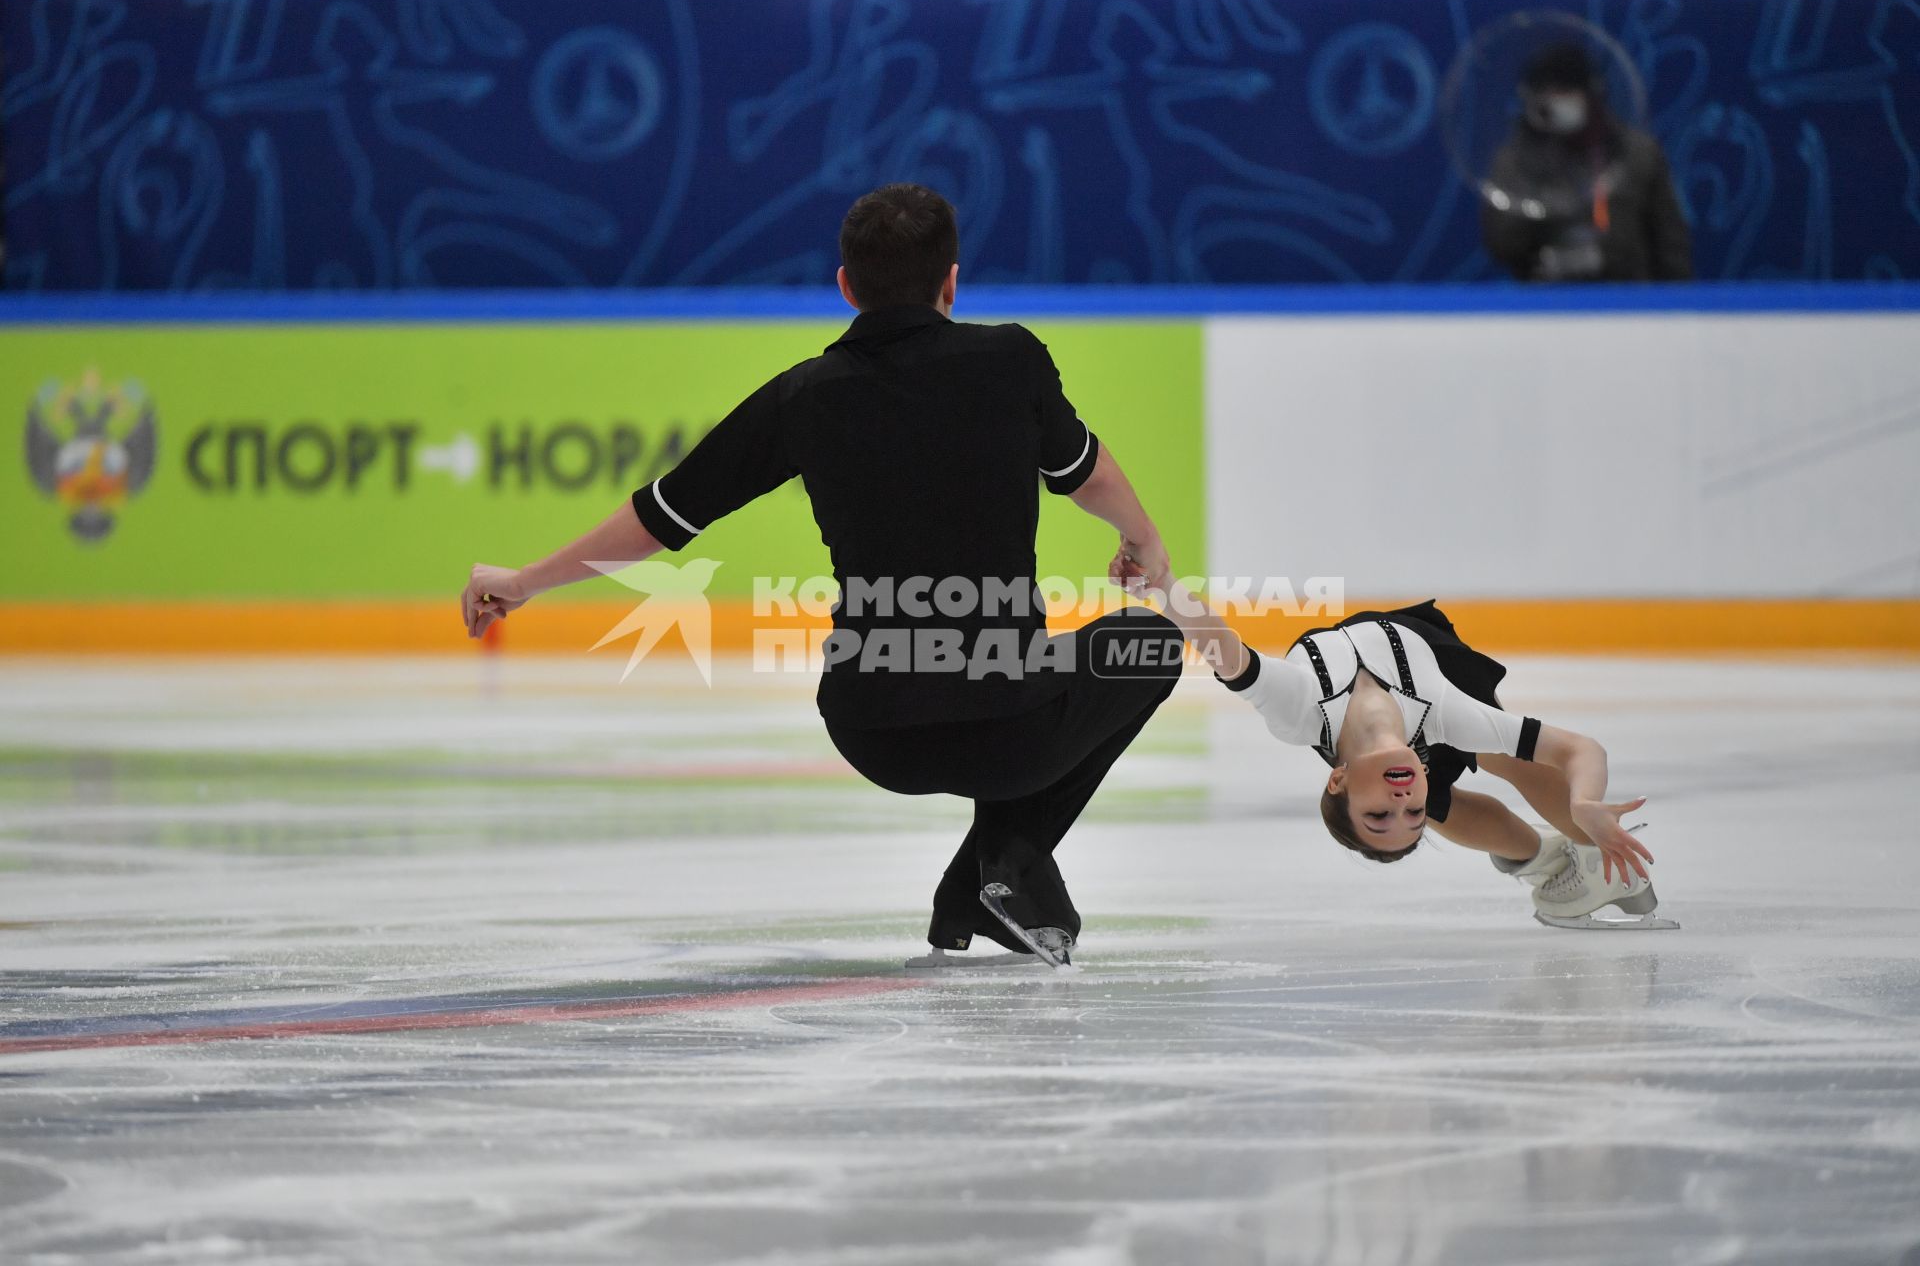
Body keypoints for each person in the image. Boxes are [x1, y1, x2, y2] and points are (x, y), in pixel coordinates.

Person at [460, 183, 1186, 968]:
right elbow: (1087, 474)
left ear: (845, 286)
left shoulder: (804, 396)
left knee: (1007, 679)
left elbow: (660, 518)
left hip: (873, 730)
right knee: (1151, 642)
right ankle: (1004, 857)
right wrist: (1141, 539)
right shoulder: (1012, 359)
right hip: (1012, 730)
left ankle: (975, 886)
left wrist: (527, 581)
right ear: (951, 280)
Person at [1132, 568, 1675, 930]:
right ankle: (1545, 861)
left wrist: (1161, 585)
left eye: (1379, 813)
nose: (1401, 799)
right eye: (1406, 812)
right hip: (1424, 690)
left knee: (1496, 758)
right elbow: (1580, 750)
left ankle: (1582, 855)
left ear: (1337, 780)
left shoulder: (1300, 711)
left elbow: (1225, 653)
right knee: (1450, 790)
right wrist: (1585, 801)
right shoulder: (1445, 712)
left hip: (1425, 652)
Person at [1481, 42, 1693, 283]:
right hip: (1547, 304)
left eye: (1562, 91)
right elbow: (1502, 244)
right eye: (1543, 93)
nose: (1552, 102)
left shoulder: (1637, 154)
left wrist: (1677, 304)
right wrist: (1538, 184)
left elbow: (1670, 241)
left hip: (1630, 300)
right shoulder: (1515, 161)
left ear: (1592, 94)